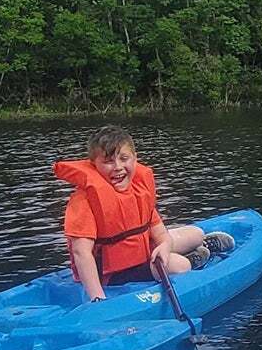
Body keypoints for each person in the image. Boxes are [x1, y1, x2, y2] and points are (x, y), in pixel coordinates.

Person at [54, 127, 234, 303]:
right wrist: (97, 298)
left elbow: (160, 233)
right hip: (113, 272)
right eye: (108, 161)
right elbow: (81, 253)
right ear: (94, 165)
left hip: (143, 250)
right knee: (180, 265)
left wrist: (164, 246)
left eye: (124, 159)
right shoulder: (84, 201)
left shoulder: (139, 188)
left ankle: (200, 246)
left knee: (196, 234)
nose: (118, 167)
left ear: (134, 159)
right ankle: (192, 260)